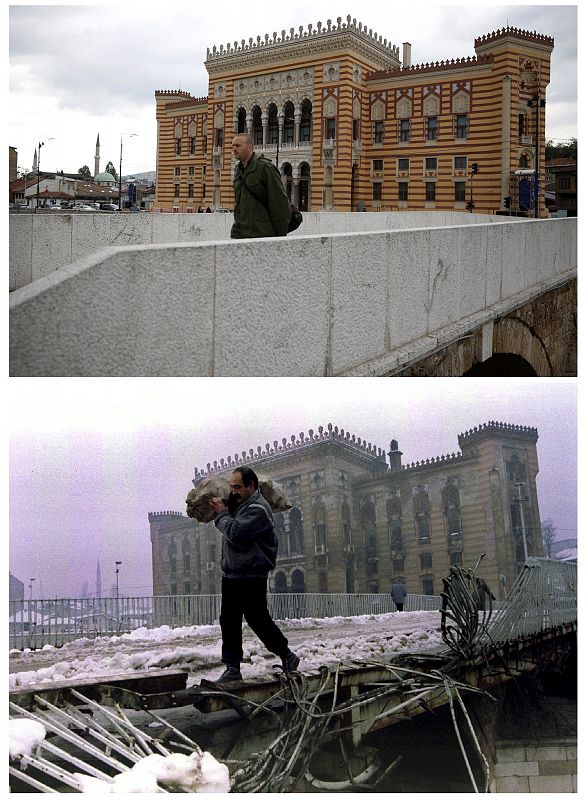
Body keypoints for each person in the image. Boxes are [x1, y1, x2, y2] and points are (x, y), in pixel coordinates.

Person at [209, 466, 300, 683]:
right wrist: (223, 512)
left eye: (238, 487)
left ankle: (287, 655)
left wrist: (222, 513)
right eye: (231, 487)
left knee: (258, 620)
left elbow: (236, 534)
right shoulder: (240, 506)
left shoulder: (257, 510)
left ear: (252, 486)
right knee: (229, 621)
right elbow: (227, 525)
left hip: (251, 575)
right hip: (233, 574)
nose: (233, 491)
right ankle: (232, 668)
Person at [230, 133, 291, 239]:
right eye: (233, 146)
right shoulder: (238, 170)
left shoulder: (265, 168)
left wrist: (280, 237)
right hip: (239, 233)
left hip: (261, 234)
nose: (234, 149)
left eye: (238, 146)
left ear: (249, 147)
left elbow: (279, 204)